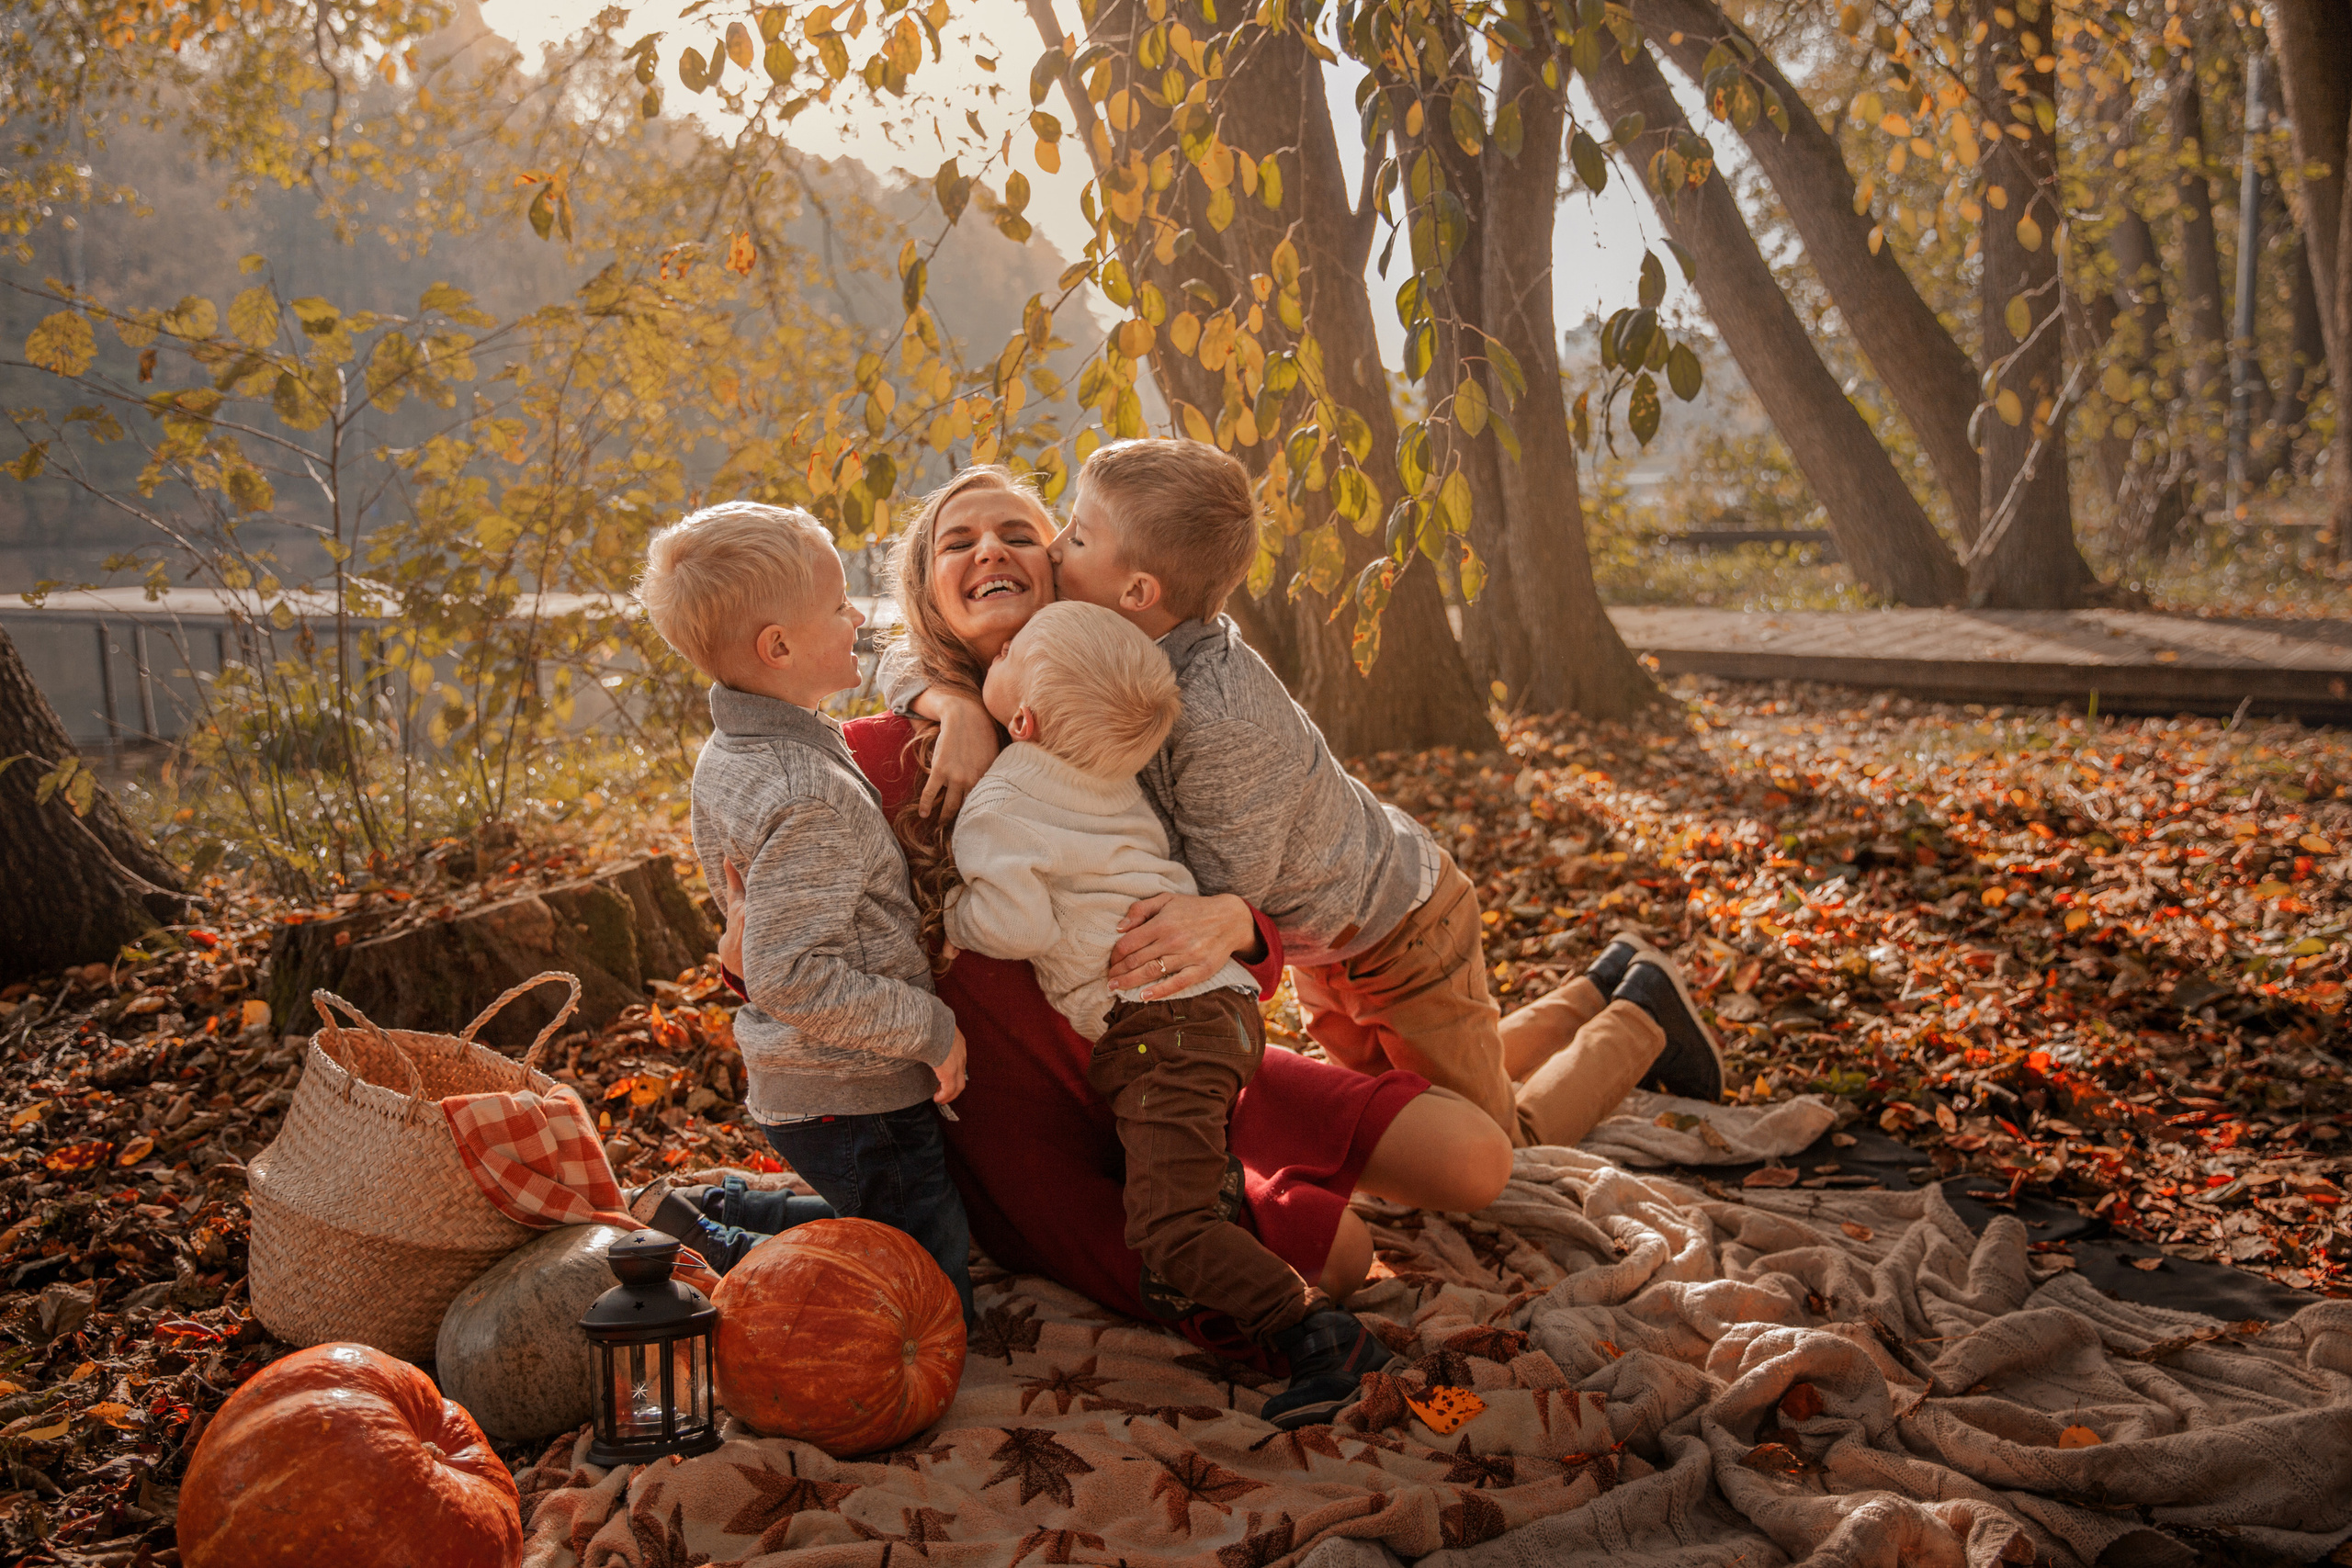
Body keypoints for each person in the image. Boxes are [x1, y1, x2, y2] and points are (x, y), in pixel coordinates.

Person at [716, 464, 1512, 1396]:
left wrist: (1237, 929)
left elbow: (1234, 921)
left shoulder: (1125, 722)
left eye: (1021, 533)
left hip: (1165, 1037)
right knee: (1335, 1259)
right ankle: (1592, 1015)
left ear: (1062, 575)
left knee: (1479, 1158)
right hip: (1024, 1111)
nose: (990, 551)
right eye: (953, 542)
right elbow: (784, 948)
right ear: (922, 593)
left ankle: (1603, 1014)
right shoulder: (859, 764)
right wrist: (946, 702)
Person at [914, 437, 1724, 1157]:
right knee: (1417, 1100)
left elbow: (1232, 883)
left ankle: (1640, 1017)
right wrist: (949, 703)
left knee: (1503, 1148)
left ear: (1137, 591)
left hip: (1399, 928)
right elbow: (926, 648)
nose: (1054, 548)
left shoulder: (1217, 714)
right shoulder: (1105, 637)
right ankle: (1597, 987)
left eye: (1076, 535)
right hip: (1323, 941)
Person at [940, 599, 1383, 1427]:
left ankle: (1323, 1340)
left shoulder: (1001, 801)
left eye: (1008, 658)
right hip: (1219, 1009)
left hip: (1161, 1032)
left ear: (1024, 719)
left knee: (1168, 1232)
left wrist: (950, 914)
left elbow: (1017, 923)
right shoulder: (1112, 778)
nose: (995, 657)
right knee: (1185, 1192)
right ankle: (1225, 1221)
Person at [638, 501, 975, 1319]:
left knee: (875, 1220)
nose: (857, 615)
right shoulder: (806, 791)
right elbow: (793, 975)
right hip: (856, 1089)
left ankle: (729, 1205)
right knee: (925, 1300)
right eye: (837, 605)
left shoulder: (742, 745)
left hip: (815, 1086)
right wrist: (934, 1029)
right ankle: (720, 1247)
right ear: (778, 647)